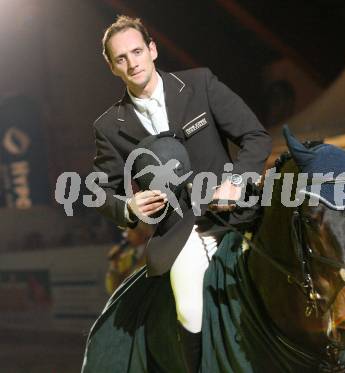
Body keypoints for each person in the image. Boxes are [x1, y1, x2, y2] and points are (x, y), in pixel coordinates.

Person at [92, 15, 272, 372]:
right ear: (112, 68)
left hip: (236, 214)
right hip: (182, 231)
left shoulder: (199, 83)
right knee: (189, 308)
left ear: (153, 50)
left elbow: (256, 137)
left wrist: (237, 180)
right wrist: (129, 206)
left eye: (137, 51)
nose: (133, 62)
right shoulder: (110, 127)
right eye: (121, 58)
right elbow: (99, 193)